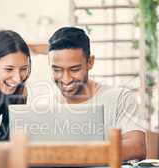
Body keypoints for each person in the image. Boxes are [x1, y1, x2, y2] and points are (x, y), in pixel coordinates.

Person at [48, 27, 146, 160]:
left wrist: (75, 154)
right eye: (57, 70)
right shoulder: (46, 105)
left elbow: (137, 148)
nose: (66, 79)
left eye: (75, 69)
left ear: (90, 62)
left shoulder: (120, 98)